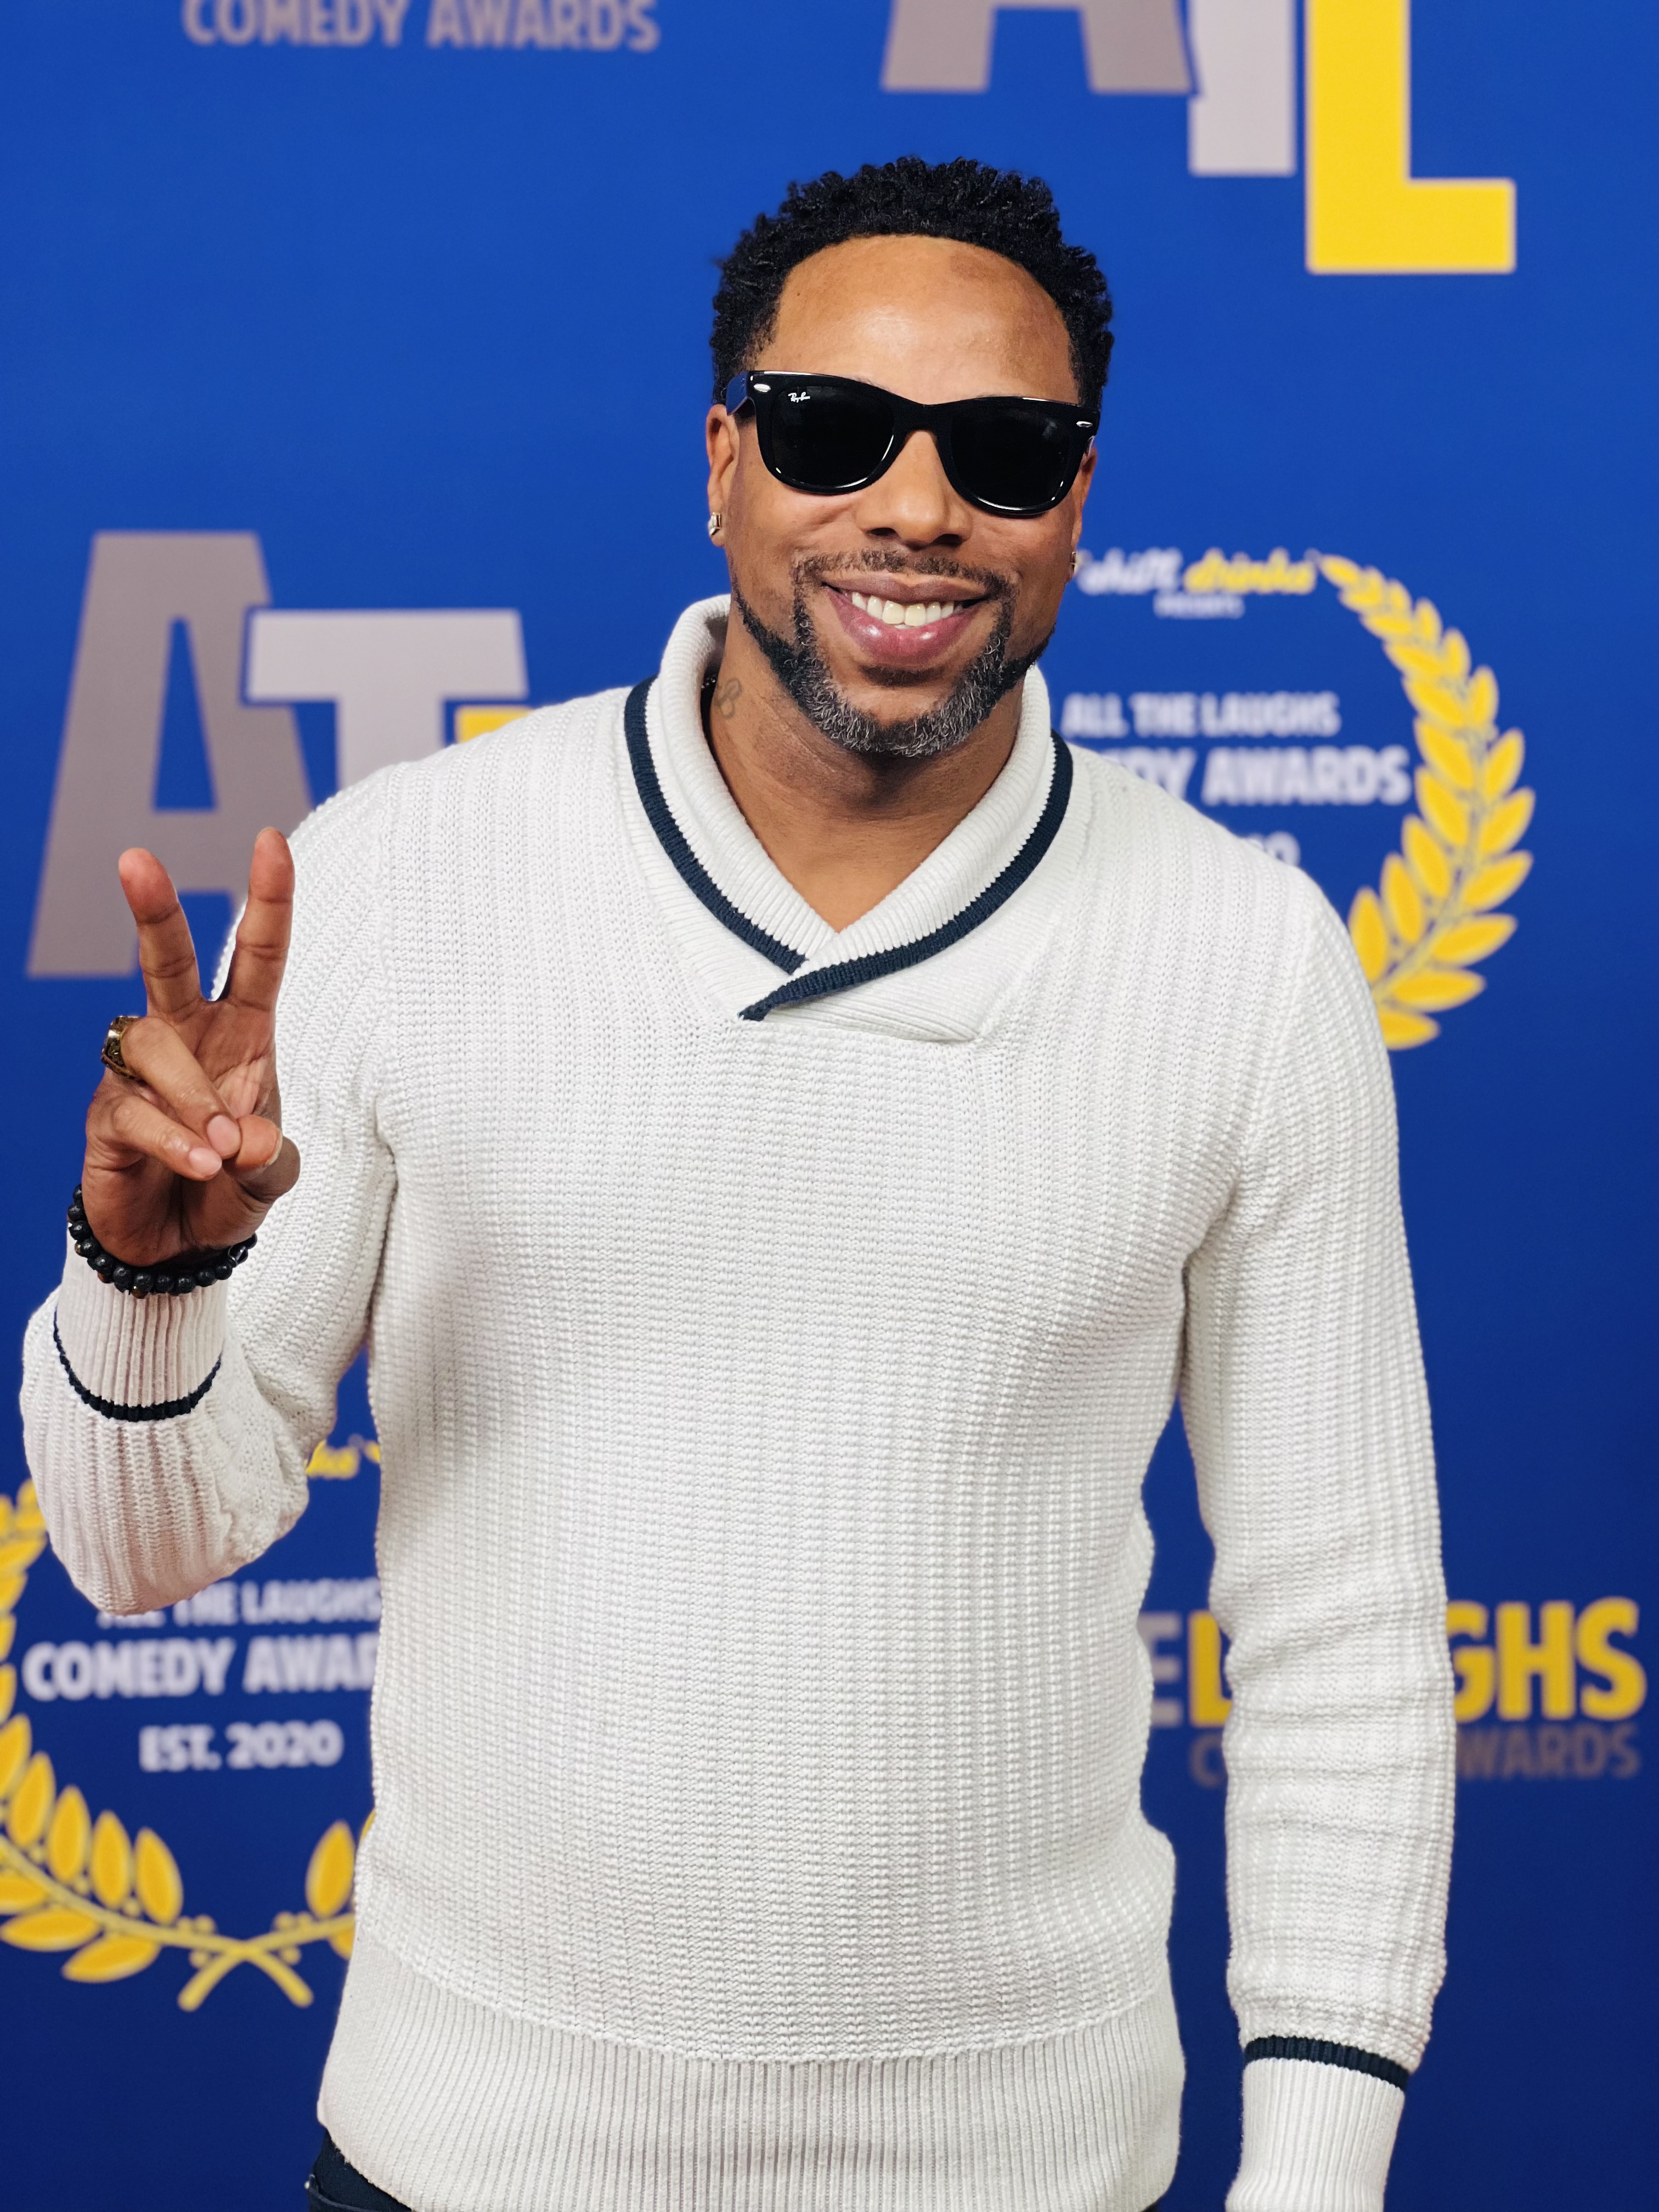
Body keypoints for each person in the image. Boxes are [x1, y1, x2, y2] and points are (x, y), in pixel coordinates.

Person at [21, 157, 1454, 2212]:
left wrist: (1315, 2180)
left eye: (1002, 451)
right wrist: (144, 1286)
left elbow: (1342, 1633)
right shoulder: (406, 877)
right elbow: (135, 1552)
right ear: (723, 464)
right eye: (834, 430)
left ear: (1078, 498)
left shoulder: (1243, 958)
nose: (918, 506)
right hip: (461, 2161)